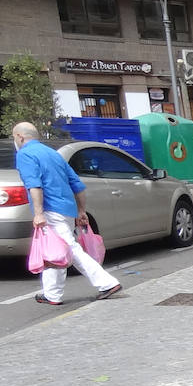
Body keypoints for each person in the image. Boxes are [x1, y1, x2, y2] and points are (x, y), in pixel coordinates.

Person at [11, 121, 121, 305]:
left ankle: (107, 283)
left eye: (14, 137)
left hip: (51, 210)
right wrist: (81, 211)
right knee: (54, 251)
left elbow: (34, 186)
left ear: (20, 137)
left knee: (69, 249)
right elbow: (77, 185)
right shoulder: (53, 154)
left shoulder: (25, 154)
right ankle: (52, 294)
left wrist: (38, 213)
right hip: (67, 209)